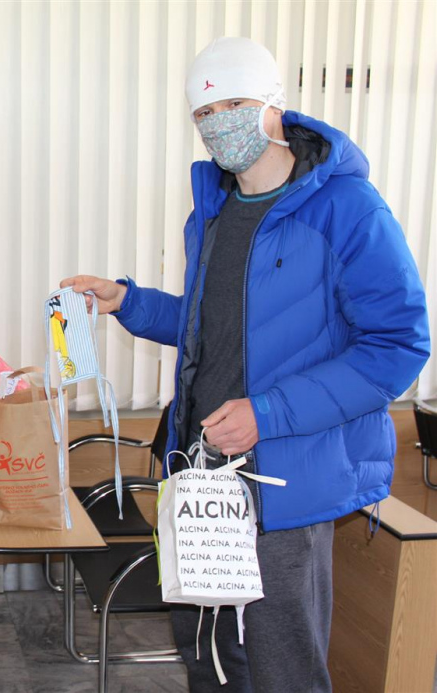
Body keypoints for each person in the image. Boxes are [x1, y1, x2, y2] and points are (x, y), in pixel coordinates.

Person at [61, 37, 429, 693]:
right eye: (203, 113)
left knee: (281, 664)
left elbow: (397, 345)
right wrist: (130, 302)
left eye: (233, 103)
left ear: (274, 105)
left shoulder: (348, 209)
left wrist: (268, 414)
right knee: (207, 655)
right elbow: (216, 325)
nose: (217, 123)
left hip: (287, 477)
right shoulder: (213, 212)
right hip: (203, 472)